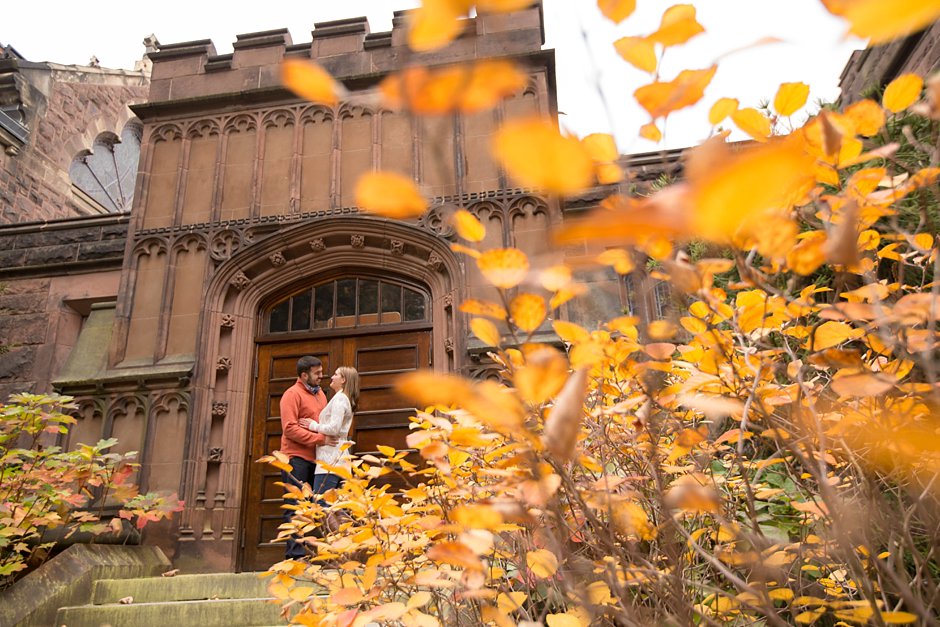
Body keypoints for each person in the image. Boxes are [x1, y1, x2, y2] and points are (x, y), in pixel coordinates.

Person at [278, 355, 337, 560]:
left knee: (320, 507)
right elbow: (290, 429)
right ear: (304, 375)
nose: (322, 376)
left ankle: (326, 556)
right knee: (296, 508)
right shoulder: (291, 394)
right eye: (317, 373)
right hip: (295, 459)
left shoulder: (320, 394)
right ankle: (295, 557)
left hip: (318, 459)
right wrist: (320, 439)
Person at [303, 366, 359, 500]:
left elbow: (334, 428)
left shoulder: (340, 399)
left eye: (336, 374)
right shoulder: (345, 398)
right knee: (338, 508)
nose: (332, 377)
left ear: (343, 379)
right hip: (340, 459)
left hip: (330, 460)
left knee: (323, 504)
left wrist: (313, 425)